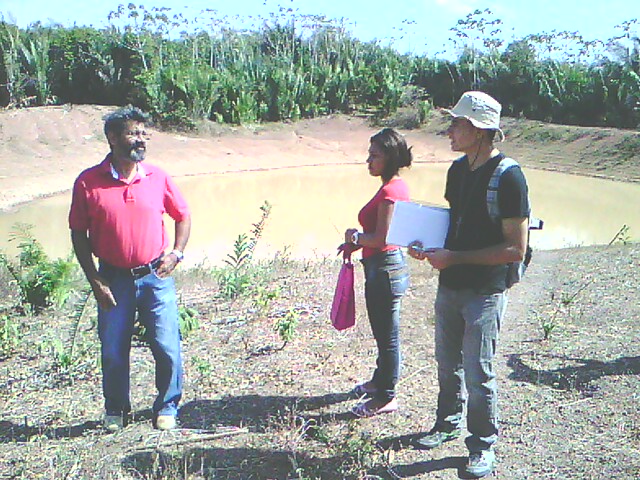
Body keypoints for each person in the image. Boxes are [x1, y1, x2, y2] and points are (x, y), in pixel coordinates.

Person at [408, 91, 530, 478]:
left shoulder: (509, 177)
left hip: (485, 291)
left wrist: (455, 258)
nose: (449, 130)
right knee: (448, 365)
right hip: (451, 283)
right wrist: (427, 245)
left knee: (479, 372)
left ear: (479, 130)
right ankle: (446, 424)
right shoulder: (458, 170)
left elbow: (514, 248)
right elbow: (453, 222)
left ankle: (481, 445)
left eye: (457, 123)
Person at [68, 106, 191, 432]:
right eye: (132, 133)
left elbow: (183, 216)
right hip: (112, 278)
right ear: (112, 138)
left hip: (155, 277)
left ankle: (167, 406)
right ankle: (116, 409)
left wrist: (176, 254)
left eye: (143, 133)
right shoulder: (87, 182)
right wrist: (94, 279)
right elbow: (78, 232)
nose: (141, 139)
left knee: (167, 346)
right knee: (113, 349)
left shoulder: (157, 176)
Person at [343, 127, 412, 418]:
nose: (368, 161)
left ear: (390, 158)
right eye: (369, 155)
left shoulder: (389, 191)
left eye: (375, 156)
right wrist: (358, 243)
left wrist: (355, 237)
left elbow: (382, 238)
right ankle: (379, 382)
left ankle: (386, 396)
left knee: (388, 337)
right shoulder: (397, 185)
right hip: (386, 266)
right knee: (384, 333)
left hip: (384, 268)